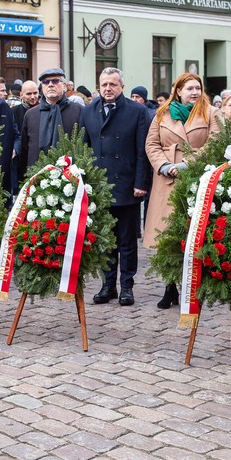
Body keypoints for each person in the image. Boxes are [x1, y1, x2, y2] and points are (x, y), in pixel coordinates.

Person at [145, 72, 222, 309]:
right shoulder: (162, 114)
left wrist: (188, 163)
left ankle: (196, 285)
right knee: (167, 234)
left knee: (194, 233)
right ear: (178, 91)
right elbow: (152, 143)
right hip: (167, 181)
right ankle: (170, 287)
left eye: (198, 88)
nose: (195, 92)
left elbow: (215, 142)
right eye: (189, 88)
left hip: (198, 179)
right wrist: (164, 165)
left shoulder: (211, 113)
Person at [79, 67, 151, 306]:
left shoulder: (137, 111)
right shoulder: (88, 111)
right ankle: (108, 284)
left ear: (121, 86)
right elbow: (83, 149)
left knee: (127, 241)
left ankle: (127, 286)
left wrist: (141, 182)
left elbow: (142, 150)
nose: (108, 89)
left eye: (113, 84)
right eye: (104, 84)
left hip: (127, 184)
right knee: (106, 240)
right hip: (100, 186)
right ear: (99, 86)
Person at [20, 67, 82, 174]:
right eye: (45, 82)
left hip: (70, 176)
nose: (50, 84)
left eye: (55, 81)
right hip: (37, 176)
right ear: (42, 88)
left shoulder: (78, 111)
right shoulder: (31, 114)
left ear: (64, 86)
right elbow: (24, 149)